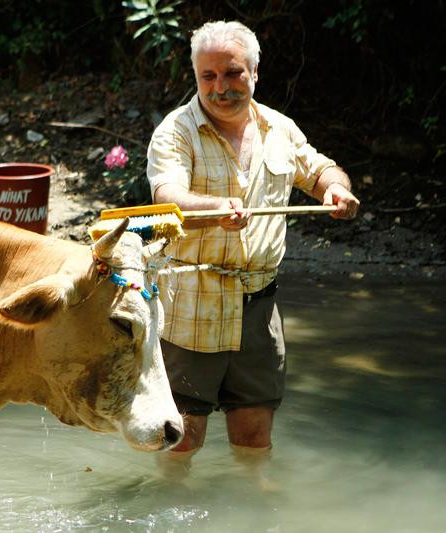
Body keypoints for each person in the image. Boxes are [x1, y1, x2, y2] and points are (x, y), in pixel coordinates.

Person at [147, 20, 359, 475]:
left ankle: (253, 511)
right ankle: (171, 512)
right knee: (182, 442)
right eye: (209, 76)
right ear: (197, 77)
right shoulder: (175, 131)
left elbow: (322, 169)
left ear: (255, 73)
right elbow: (167, 196)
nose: (220, 88)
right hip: (192, 310)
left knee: (254, 439)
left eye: (232, 73)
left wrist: (335, 190)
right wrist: (210, 207)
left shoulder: (278, 128)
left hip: (259, 311)